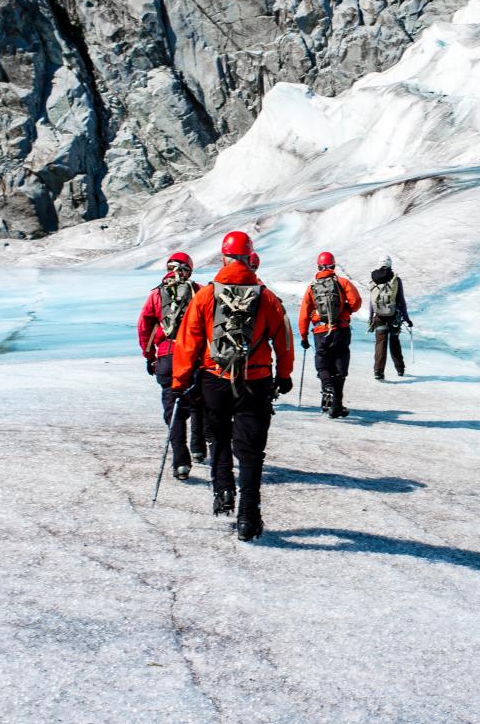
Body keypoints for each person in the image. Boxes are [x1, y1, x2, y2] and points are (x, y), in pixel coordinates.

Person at [172, 231, 294, 541]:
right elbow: (283, 339)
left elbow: (189, 341)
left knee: (219, 438)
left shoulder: (205, 295)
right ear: (249, 257)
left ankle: (223, 491)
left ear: (224, 257)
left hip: (215, 379)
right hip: (255, 380)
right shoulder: (266, 296)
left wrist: (180, 381)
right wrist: (284, 375)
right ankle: (248, 518)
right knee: (251, 452)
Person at [137, 252, 206, 480]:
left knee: (172, 407)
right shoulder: (200, 291)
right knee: (197, 400)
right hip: (194, 356)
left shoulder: (156, 294)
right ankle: (198, 447)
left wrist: (149, 356)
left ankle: (180, 461)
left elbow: (144, 325)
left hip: (167, 357)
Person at [298, 251, 361, 418]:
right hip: (340, 329)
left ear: (318, 267)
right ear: (333, 266)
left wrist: (303, 336)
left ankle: (327, 386)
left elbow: (304, 313)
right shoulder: (342, 282)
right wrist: (346, 310)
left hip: (321, 331)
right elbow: (356, 302)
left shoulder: (312, 287)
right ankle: (336, 405)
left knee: (323, 362)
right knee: (340, 365)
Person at [367, 256, 412, 380]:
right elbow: (401, 301)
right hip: (393, 316)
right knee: (394, 341)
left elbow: (371, 301)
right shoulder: (396, 279)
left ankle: (378, 371)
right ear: (390, 264)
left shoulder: (373, 279)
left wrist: (370, 317)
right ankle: (400, 369)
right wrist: (406, 318)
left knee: (380, 344)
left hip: (379, 316)